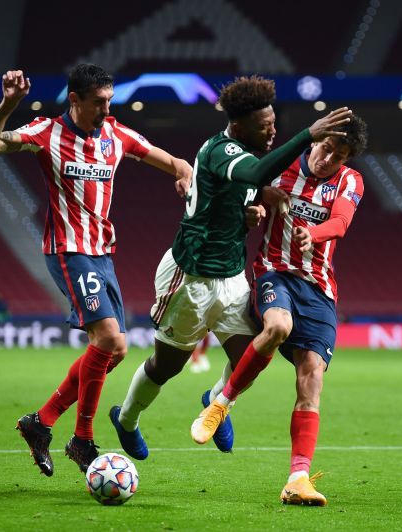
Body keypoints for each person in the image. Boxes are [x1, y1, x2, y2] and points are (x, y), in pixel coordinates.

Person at [108, 76, 353, 462]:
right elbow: (253, 175)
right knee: (167, 366)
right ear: (238, 127)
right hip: (190, 276)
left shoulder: (248, 152)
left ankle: (217, 401)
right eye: (264, 127)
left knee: (252, 356)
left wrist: (249, 212)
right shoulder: (223, 150)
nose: (272, 132)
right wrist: (308, 135)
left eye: (274, 124)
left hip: (231, 275)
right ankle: (126, 418)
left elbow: (243, 192)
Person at [0, 65, 193, 476]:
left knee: (117, 351)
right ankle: (83, 438)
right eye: (98, 102)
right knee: (109, 338)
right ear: (74, 100)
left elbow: (178, 163)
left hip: (102, 254)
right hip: (67, 250)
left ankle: (40, 423)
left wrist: (185, 179)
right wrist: (7, 106)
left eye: (110, 100)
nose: (106, 108)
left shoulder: (117, 134)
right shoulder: (46, 132)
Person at [190, 115, 367, 506]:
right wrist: (251, 211)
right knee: (278, 327)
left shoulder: (350, 181)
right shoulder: (282, 164)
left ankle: (298, 479)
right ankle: (220, 404)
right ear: (314, 142)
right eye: (325, 148)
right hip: (274, 272)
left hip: (319, 287)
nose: (327, 159)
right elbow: (242, 197)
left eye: (338, 156)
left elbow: (340, 222)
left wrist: (313, 234)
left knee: (312, 377)